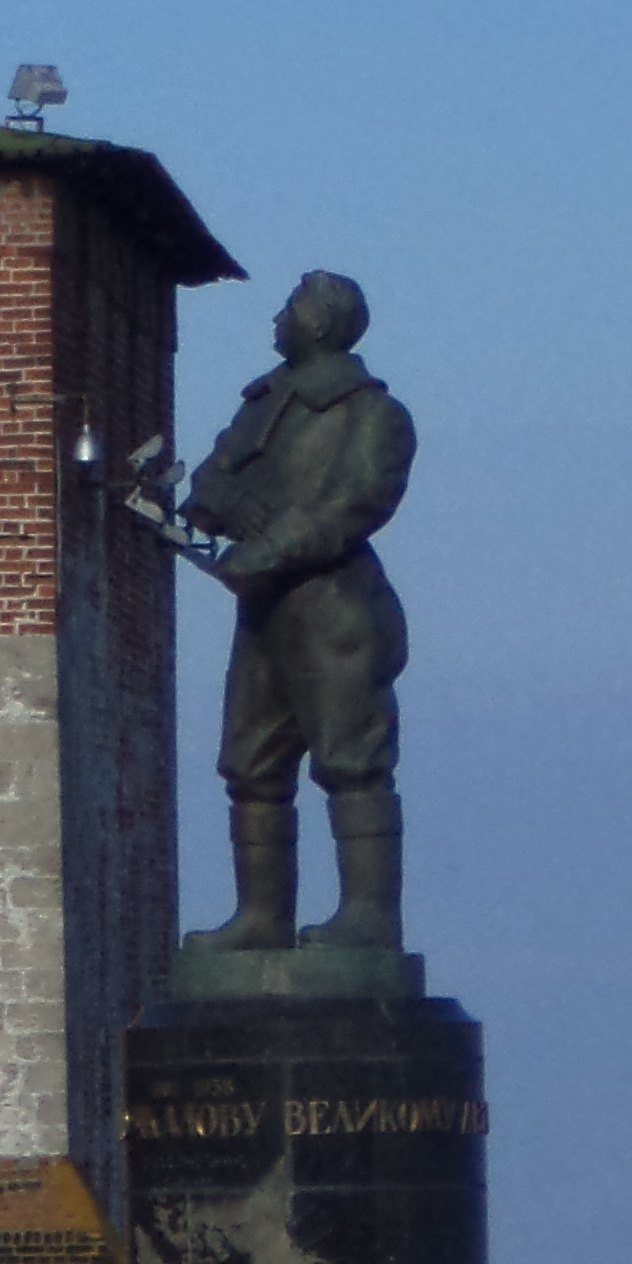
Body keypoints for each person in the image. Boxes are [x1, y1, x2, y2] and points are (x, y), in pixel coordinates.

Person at [182, 269, 412, 952]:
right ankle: (261, 917)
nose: (276, 320)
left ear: (317, 325)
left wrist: (272, 547)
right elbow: (207, 486)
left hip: (333, 607)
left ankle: (368, 916)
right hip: (266, 611)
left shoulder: (374, 414)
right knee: (251, 764)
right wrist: (234, 511)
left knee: (353, 759)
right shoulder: (265, 401)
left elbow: (358, 504)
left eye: (288, 309)